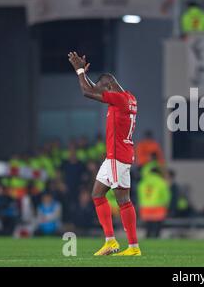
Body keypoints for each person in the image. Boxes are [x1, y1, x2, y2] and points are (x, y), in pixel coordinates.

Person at [68, 51, 140, 256]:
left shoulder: (119, 100)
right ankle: (110, 242)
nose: (100, 96)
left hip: (119, 156)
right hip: (115, 156)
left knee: (123, 200)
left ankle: (133, 247)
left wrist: (79, 70)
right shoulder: (128, 97)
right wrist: (86, 76)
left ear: (109, 87)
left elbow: (87, 92)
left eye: (102, 91)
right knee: (97, 194)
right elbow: (92, 88)